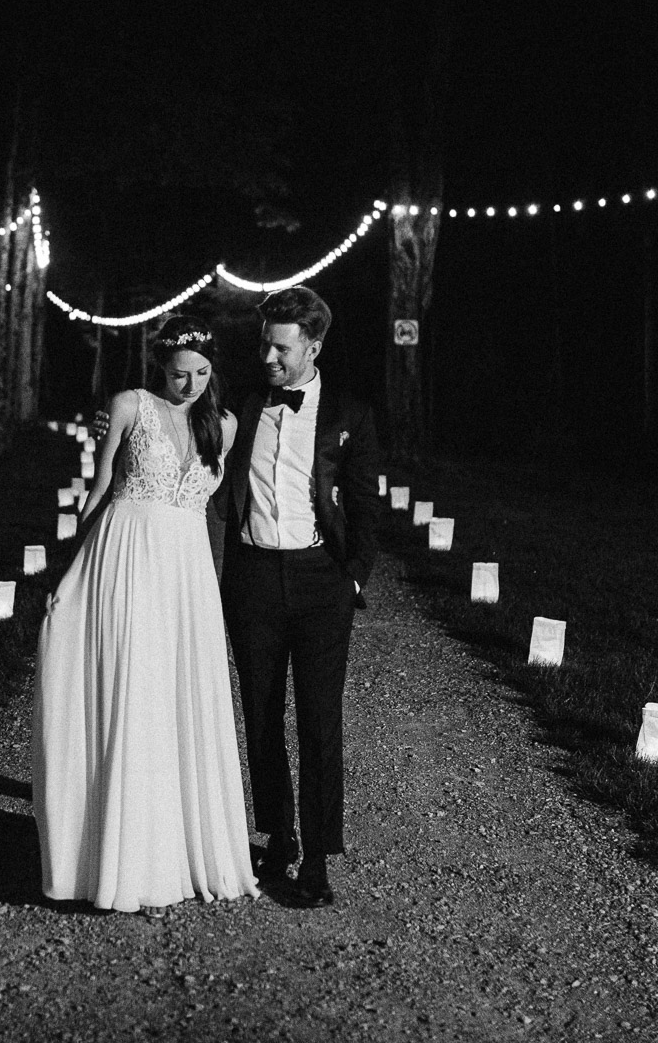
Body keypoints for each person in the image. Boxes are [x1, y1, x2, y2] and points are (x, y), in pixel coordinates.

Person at [32, 316, 260, 913]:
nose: (190, 385)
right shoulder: (130, 405)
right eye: (180, 374)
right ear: (161, 366)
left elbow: (219, 507)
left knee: (179, 696)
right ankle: (123, 855)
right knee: (134, 692)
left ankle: (180, 846)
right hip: (127, 555)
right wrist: (70, 566)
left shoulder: (225, 424)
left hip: (186, 572)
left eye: (202, 373)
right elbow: (101, 486)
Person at [217, 286, 380, 907]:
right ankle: (278, 836)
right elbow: (175, 417)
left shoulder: (349, 413)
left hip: (320, 581)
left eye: (281, 348)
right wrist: (114, 421)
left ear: (313, 347)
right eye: (264, 344)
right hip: (253, 578)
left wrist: (353, 577)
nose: (268, 358)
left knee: (318, 720)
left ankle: (316, 855)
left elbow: (364, 504)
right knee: (260, 715)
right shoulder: (241, 403)